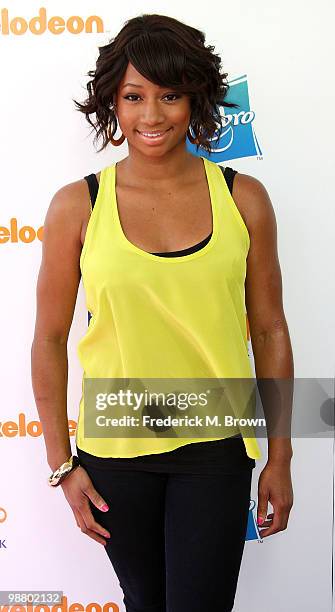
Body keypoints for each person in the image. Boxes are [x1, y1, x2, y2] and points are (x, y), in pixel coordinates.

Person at [31, 13, 294, 612]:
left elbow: (270, 329)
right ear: (113, 104)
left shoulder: (242, 198)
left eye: (170, 95)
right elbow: (47, 338)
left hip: (215, 450)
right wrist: (58, 465)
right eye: (134, 96)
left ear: (195, 98)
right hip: (114, 454)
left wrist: (280, 456)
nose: (151, 115)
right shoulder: (78, 205)